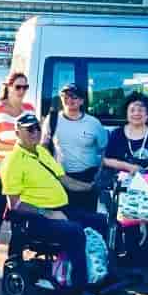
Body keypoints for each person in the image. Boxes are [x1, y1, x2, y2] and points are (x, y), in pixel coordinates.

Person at [1, 112, 108, 295]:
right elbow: (14, 204)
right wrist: (46, 212)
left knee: (100, 222)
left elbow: (65, 180)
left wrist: (92, 187)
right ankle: (81, 293)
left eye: (37, 128)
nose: (35, 133)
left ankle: (101, 277)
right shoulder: (13, 161)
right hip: (34, 219)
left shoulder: (41, 151)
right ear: (17, 133)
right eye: (29, 129)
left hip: (59, 209)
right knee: (75, 232)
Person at [102, 93, 148, 291]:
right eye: (132, 109)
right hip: (126, 189)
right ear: (126, 112)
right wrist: (128, 166)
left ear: (147, 113)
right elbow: (106, 160)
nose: (137, 113)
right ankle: (134, 271)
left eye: (141, 109)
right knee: (130, 229)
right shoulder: (117, 134)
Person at [0, 71, 36, 279]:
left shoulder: (30, 109)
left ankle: (14, 259)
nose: (21, 91)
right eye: (18, 87)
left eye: (25, 87)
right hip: (0, 173)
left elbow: (34, 138)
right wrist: (17, 149)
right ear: (9, 87)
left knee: (20, 219)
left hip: (22, 175)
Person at [41, 83, 108, 212]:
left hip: (87, 177)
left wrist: (99, 175)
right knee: (64, 219)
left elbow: (104, 149)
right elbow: (43, 147)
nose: (69, 100)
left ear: (82, 101)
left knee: (87, 220)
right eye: (65, 96)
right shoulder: (52, 119)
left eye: (73, 97)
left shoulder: (93, 123)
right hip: (61, 177)